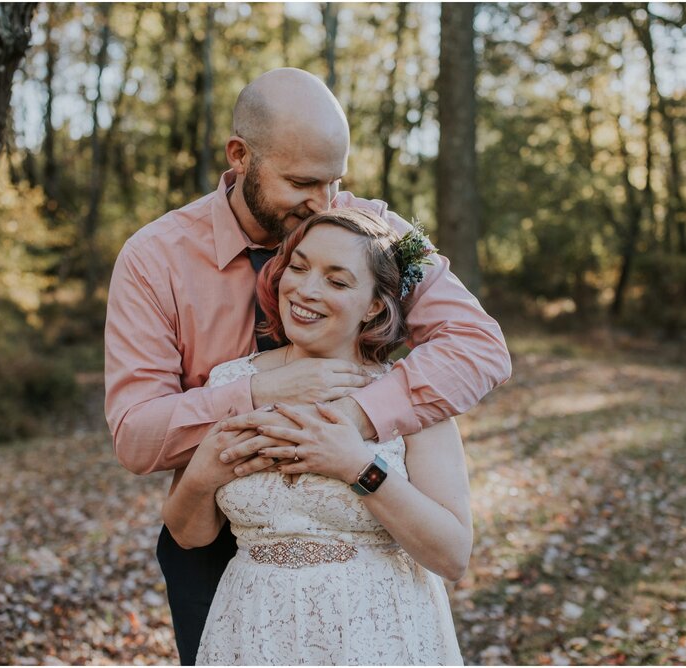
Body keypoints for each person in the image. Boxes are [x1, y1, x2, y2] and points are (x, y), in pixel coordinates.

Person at [104, 68, 510, 664]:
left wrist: (356, 416)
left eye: (335, 181)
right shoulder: (152, 258)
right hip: (221, 526)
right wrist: (260, 392)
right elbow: (135, 437)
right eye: (302, 182)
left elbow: (479, 345)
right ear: (240, 157)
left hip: (371, 547)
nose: (324, 202)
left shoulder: (381, 234)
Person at [163, 208, 471, 665]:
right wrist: (202, 475)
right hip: (254, 630)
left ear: (373, 304)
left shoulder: (410, 393)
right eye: (299, 267)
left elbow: (452, 556)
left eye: (337, 280)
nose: (305, 290)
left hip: (376, 632)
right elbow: (189, 535)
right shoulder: (231, 383)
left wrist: (358, 468)